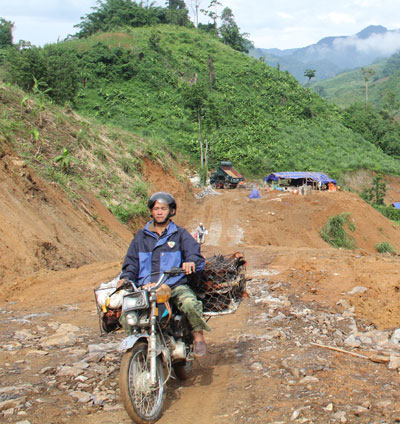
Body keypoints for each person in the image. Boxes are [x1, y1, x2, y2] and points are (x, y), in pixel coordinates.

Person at [119, 191, 210, 358]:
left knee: (190, 304)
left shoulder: (180, 234)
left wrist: (190, 261)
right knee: (127, 314)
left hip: (173, 284)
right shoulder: (141, 237)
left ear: (171, 211)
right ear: (151, 211)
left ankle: (198, 334)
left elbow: (195, 255)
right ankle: (137, 345)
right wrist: (126, 278)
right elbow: (131, 263)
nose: (159, 212)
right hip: (147, 287)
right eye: (156, 209)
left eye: (163, 208)